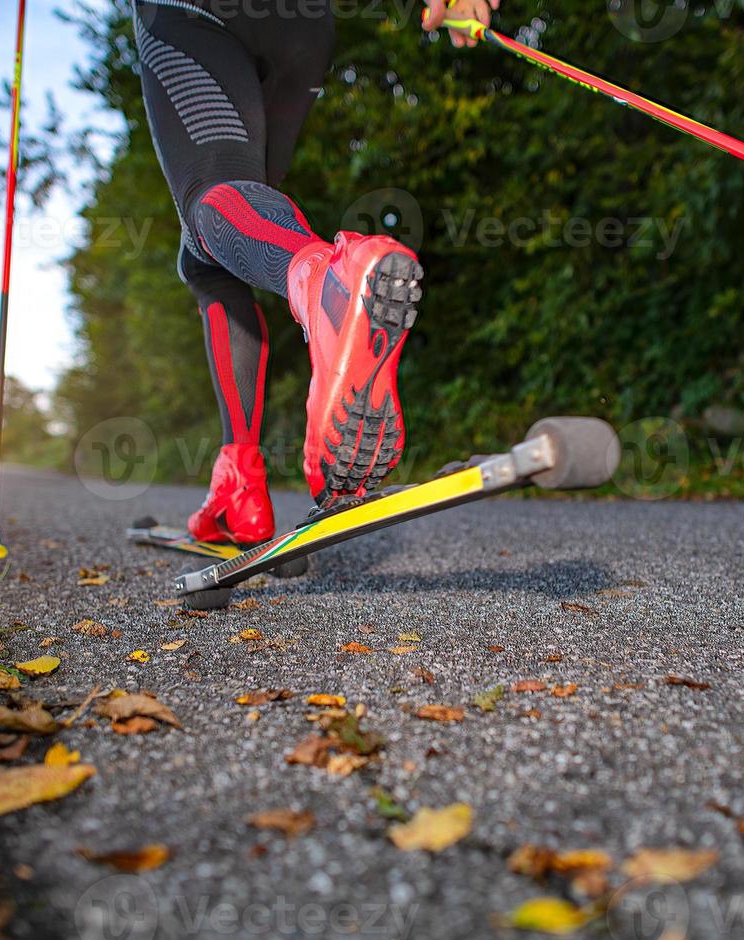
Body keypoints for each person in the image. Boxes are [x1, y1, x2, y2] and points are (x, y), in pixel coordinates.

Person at [130, 0, 498, 544]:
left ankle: (326, 286)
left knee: (212, 201)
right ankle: (240, 483)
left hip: (194, 10)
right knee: (229, 233)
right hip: (302, 27)